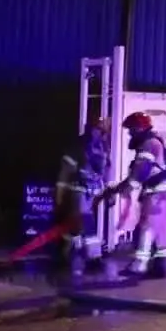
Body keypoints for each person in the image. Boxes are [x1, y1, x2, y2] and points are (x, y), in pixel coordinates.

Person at [100, 111, 166, 278]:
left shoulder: (148, 145)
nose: (130, 133)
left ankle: (139, 265)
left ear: (139, 129)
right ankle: (161, 267)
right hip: (163, 196)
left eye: (131, 130)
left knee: (146, 228)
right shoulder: (155, 142)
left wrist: (117, 190)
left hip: (154, 196)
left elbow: (139, 174)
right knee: (161, 233)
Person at [56, 117, 111, 277]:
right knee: (85, 224)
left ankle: (68, 255)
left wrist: (107, 191)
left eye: (102, 131)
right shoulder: (77, 146)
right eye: (97, 130)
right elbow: (64, 173)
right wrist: (59, 196)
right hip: (77, 190)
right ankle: (90, 257)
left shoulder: (102, 147)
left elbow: (106, 171)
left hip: (92, 193)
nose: (100, 134)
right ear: (90, 129)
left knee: (79, 226)